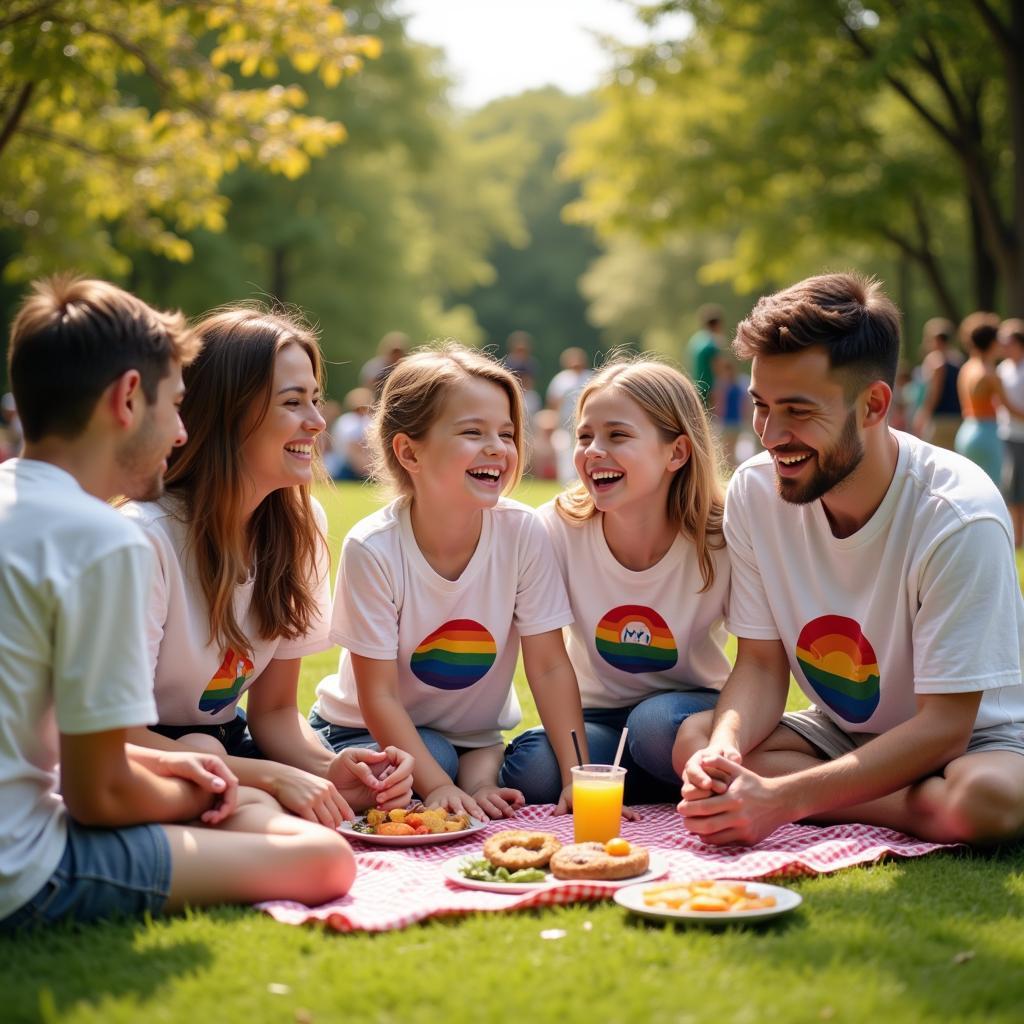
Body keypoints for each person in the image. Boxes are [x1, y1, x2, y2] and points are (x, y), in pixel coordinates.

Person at [1, 276, 355, 931]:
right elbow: (98, 792)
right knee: (324, 862)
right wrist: (217, 780)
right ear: (128, 399)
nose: (182, 430)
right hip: (25, 868)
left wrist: (207, 762)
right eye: (175, 405)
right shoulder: (109, 539)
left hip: (57, 802)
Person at [674, 271, 1024, 847]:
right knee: (694, 742)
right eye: (762, 406)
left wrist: (784, 799)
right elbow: (761, 666)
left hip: (973, 744)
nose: (771, 434)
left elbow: (944, 728)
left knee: (988, 802)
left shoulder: (958, 514)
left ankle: (841, 795)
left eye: (798, 411)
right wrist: (725, 747)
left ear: (874, 404)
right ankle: (893, 803)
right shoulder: (757, 493)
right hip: (842, 733)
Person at [120, 307, 413, 828]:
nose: (318, 422)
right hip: (143, 756)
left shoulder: (300, 525)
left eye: (316, 400)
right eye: (293, 402)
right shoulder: (145, 539)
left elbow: (275, 711)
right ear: (227, 412)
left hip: (223, 744)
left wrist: (332, 770)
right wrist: (271, 778)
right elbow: (110, 735)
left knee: (345, 807)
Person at [310, 344, 589, 820]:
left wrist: (578, 778)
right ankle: (460, 777)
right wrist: (438, 786)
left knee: (541, 771)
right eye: (472, 432)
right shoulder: (373, 548)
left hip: (474, 740)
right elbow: (378, 697)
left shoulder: (523, 533)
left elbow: (548, 667)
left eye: (506, 433)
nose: (498, 448)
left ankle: (478, 777)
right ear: (409, 451)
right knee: (432, 758)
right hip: (363, 732)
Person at [500, 358, 731, 804]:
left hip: (684, 715)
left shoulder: (722, 536)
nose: (592, 451)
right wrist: (575, 778)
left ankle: (665, 772)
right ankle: (652, 784)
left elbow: (761, 660)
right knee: (530, 768)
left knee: (653, 726)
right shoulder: (555, 529)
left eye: (618, 436)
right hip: (596, 717)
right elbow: (548, 663)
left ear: (676, 452)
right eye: (585, 436)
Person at [954, 312, 1024, 484]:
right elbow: (1010, 408)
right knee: (993, 491)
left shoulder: (966, 368)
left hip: (966, 431)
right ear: (992, 343)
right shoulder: (991, 374)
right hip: (988, 435)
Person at [911, 317, 961, 448]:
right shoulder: (957, 359)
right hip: (957, 418)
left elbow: (933, 392)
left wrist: (922, 415)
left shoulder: (935, 361)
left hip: (940, 420)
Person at [546, 346, 592, 483]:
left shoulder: (589, 377)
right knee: (565, 450)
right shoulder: (561, 380)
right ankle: (566, 480)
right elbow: (553, 402)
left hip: (584, 421)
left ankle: (582, 478)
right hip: (564, 423)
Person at [997, 318, 1024, 547]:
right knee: (1012, 489)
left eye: (1006, 342)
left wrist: (1009, 408)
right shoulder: (1002, 368)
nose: (1002, 346)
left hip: (1021, 436)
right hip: (1006, 434)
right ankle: (1017, 539)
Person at [329, 386, 374, 481]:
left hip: (362, 468)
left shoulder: (344, 421)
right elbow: (353, 451)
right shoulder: (349, 422)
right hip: (347, 469)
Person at [687, 304, 725, 405]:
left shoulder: (695, 340)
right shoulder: (712, 343)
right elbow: (717, 367)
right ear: (717, 324)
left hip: (695, 385)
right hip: (709, 387)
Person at [359, 331, 408, 396]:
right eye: (394, 353)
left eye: (399, 353)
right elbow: (368, 386)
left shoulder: (406, 368)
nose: (396, 356)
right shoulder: (374, 367)